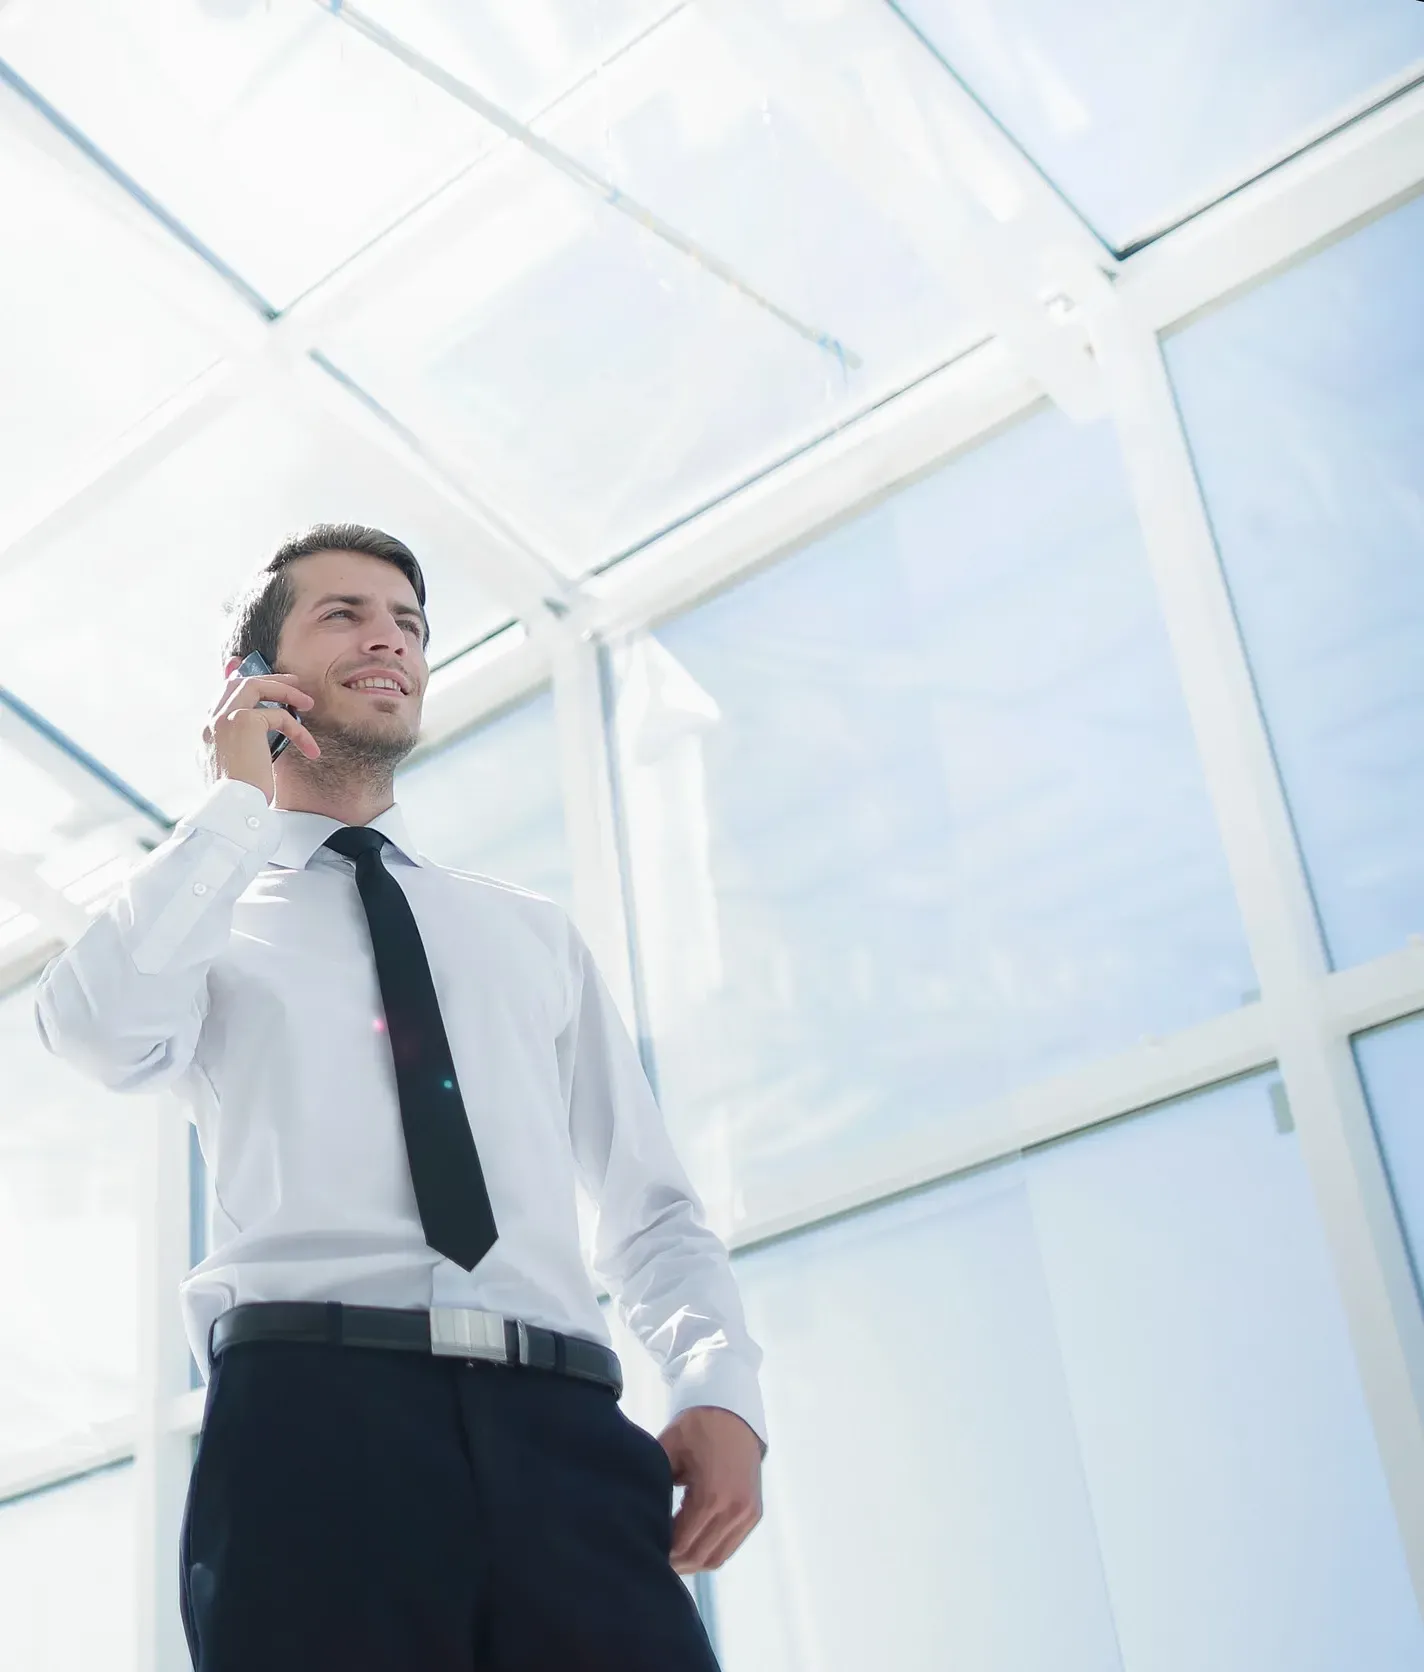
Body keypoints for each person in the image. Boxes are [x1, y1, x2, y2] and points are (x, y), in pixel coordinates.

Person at [35, 524, 766, 1671]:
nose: (391, 638)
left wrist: (719, 1387)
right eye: (345, 614)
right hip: (312, 1432)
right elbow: (92, 1029)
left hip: (564, 1431)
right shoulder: (204, 916)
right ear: (254, 680)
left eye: (410, 623)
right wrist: (232, 807)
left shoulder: (529, 933)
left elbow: (653, 1207)